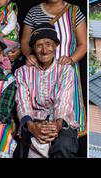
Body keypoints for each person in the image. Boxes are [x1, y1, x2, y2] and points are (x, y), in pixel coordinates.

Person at [21, 0, 87, 136]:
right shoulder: (34, 12)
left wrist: (71, 59)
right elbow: (24, 40)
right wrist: (29, 55)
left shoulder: (74, 12)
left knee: (65, 111)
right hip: (38, 71)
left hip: (66, 69)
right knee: (36, 111)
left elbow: (83, 44)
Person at [15, 23, 78, 158]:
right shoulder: (22, 72)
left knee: (63, 145)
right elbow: (22, 101)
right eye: (39, 45)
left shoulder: (66, 70)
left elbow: (64, 101)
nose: (44, 50)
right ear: (33, 48)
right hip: (33, 121)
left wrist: (57, 125)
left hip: (60, 121)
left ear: (55, 46)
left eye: (49, 44)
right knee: (26, 146)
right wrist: (31, 126)